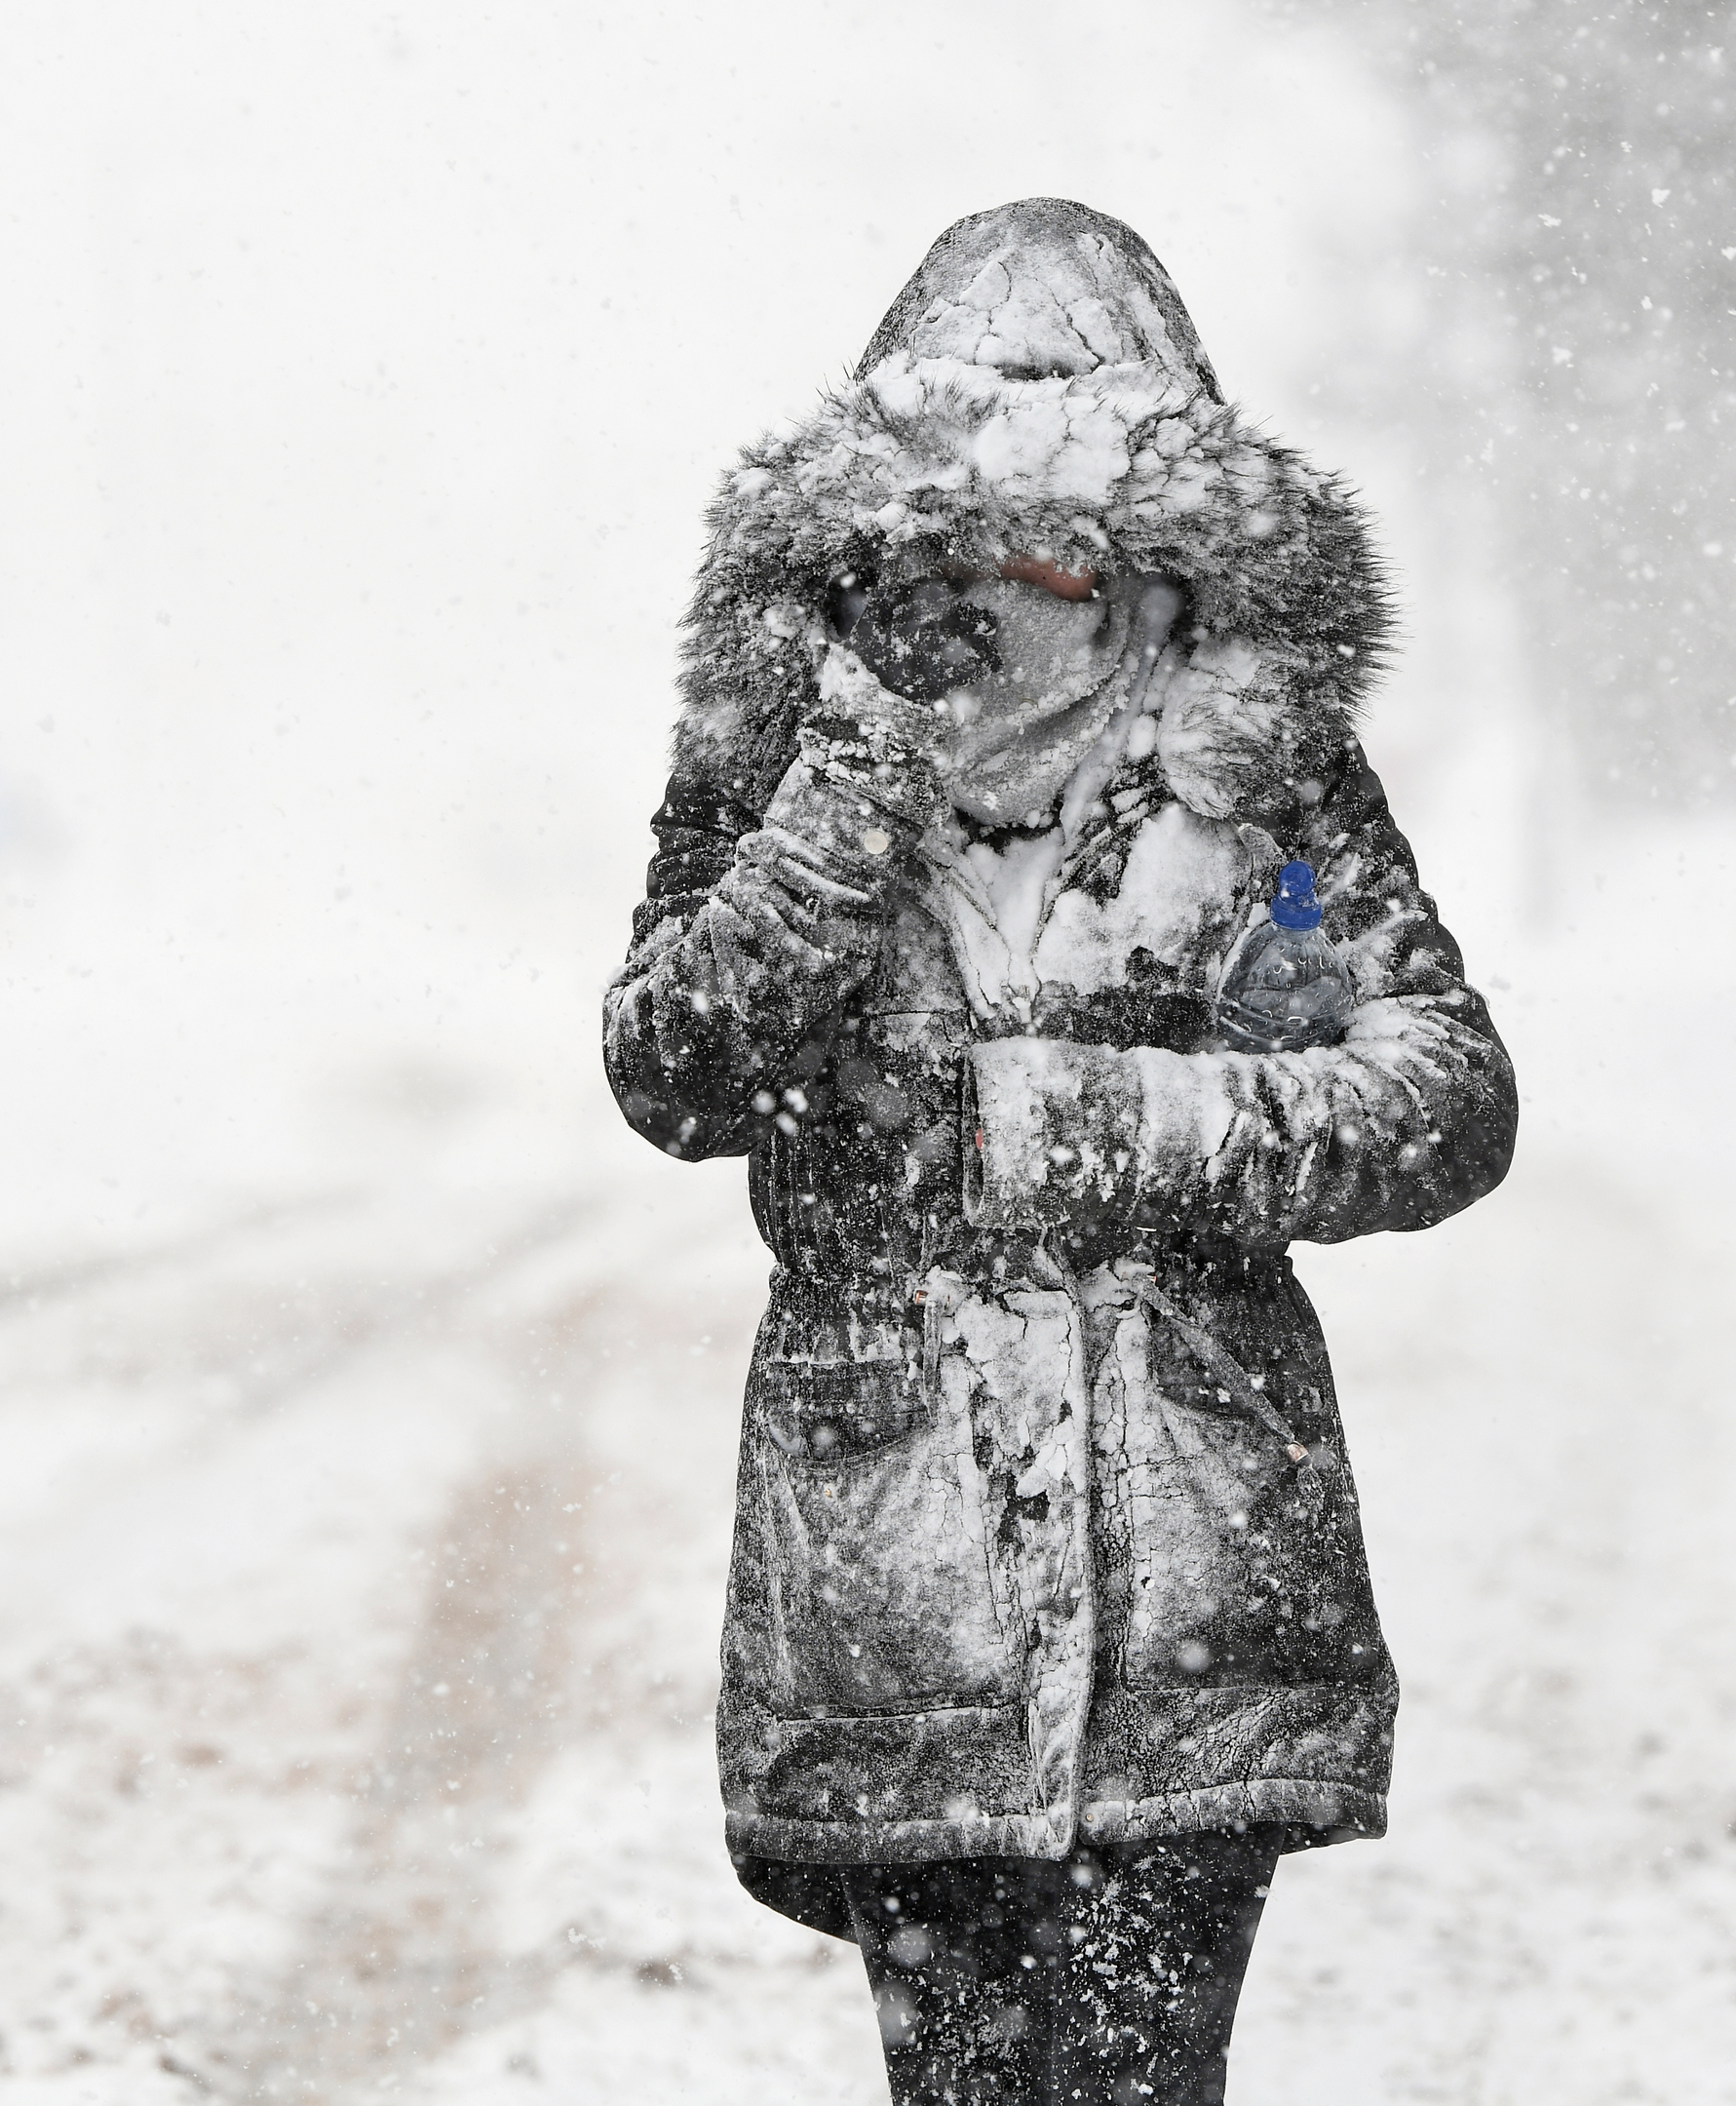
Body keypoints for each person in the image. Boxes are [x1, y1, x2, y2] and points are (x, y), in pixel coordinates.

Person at [603, 198, 1516, 2104]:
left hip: (1196, 1567)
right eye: (982, 470)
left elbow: (1437, 1094)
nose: (1035, 534)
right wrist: (840, 796)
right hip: (895, 1581)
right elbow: (675, 1070)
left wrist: (1117, 1128)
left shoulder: (1256, 758)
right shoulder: (787, 743)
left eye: (1086, 463)